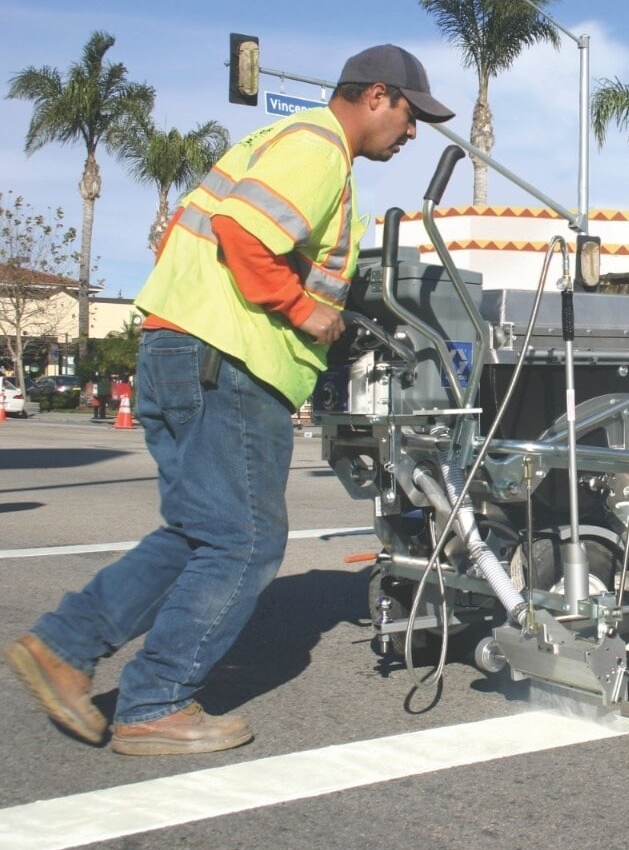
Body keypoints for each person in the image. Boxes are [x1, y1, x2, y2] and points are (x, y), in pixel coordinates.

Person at [2, 44, 453, 756]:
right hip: (230, 360)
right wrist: (303, 312)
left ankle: (63, 648)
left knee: (197, 532)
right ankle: (155, 701)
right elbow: (245, 233)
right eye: (409, 115)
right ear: (376, 96)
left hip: (183, 348)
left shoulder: (272, 140)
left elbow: (193, 239)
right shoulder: (320, 147)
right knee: (245, 541)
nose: (411, 132)